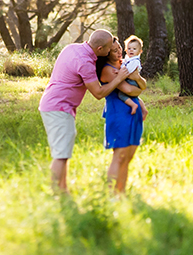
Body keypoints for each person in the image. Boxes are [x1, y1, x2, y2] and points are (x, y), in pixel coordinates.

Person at [38, 29, 130, 193]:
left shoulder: (72, 48)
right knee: (60, 154)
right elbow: (98, 93)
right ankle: (56, 194)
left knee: (63, 152)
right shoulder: (85, 62)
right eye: (109, 48)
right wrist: (119, 78)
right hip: (58, 107)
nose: (110, 51)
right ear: (100, 49)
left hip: (55, 105)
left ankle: (63, 191)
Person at [98, 37, 147, 193]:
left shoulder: (124, 64)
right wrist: (138, 86)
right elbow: (132, 90)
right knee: (119, 156)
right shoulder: (107, 70)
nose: (120, 51)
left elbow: (141, 85)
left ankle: (121, 193)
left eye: (119, 48)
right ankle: (111, 194)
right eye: (114, 50)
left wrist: (138, 80)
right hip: (119, 115)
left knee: (127, 158)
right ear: (106, 53)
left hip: (133, 114)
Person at [113, 35, 146, 116]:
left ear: (140, 51)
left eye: (134, 49)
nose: (131, 50)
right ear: (126, 49)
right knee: (136, 97)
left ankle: (133, 105)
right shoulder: (129, 58)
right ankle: (143, 109)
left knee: (121, 94)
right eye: (129, 48)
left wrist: (119, 71)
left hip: (132, 81)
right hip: (132, 80)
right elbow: (126, 62)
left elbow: (128, 71)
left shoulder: (135, 61)